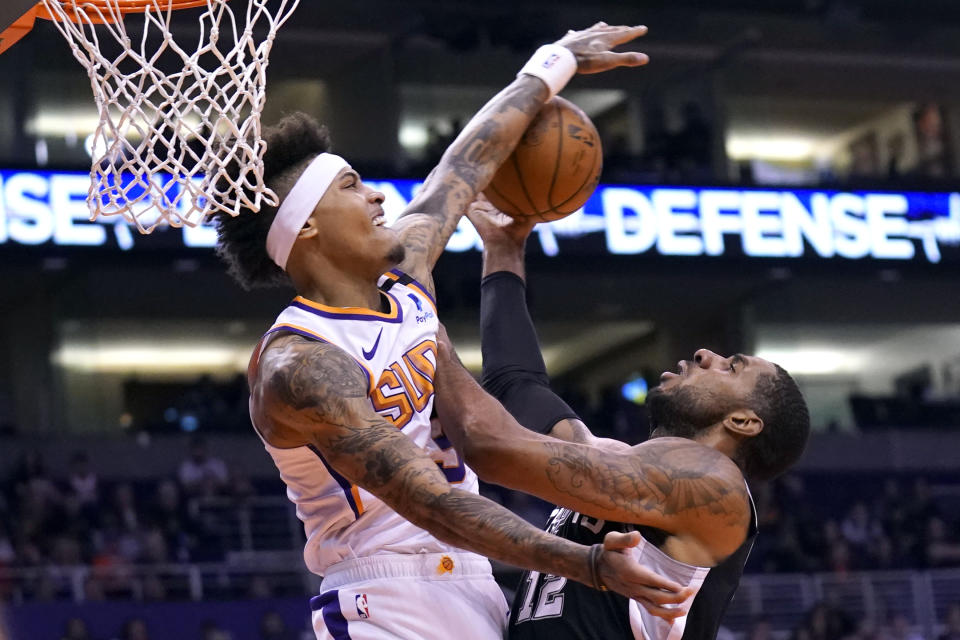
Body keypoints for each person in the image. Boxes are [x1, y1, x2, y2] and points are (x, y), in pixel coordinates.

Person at [214, 22, 687, 640]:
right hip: (383, 598)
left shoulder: (406, 281)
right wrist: (589, 565)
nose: (380, 197)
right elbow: (431, 503)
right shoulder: (301, 366)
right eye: (353, 187)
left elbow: (464, 164)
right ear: (305, 230)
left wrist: (552, 64)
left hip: (476, 581)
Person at [430, 196, 812, 639]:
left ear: (744, 422)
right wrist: (504, 247)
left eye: (732, 367)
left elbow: (488, 446)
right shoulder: (619, 466)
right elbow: (519, 387)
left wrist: (424, 333)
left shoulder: (716, 488)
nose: (706, 354)